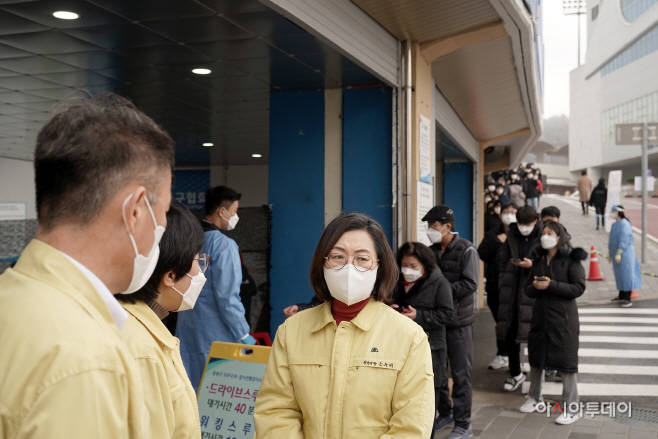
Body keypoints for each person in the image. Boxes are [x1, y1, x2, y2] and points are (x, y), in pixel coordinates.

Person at [0, 94, 174, 438]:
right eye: (165, 210)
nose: (163, 226)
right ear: (136, 210)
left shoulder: (12, 297)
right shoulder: (85, 355)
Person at [254, 213, 435, 438]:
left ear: (379, 266)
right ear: (323, 262)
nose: (349, 268)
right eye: (338, 257)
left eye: (362, 258)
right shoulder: (291, 331)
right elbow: (276, 411)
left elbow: (412, 426)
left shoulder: (409, 337)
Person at [116, 203, 206, 439]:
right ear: (170, 276)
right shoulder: (141, 349)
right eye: (198, 261)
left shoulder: (134, 325)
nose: (201, 273)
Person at [176, 185, 256, 391]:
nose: (235, 216)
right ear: (223, 211)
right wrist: (242, 333)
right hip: (218, 332)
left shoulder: (189, 241)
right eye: (235, 211)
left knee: (191, 393)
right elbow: (227, 297)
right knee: (218, 397)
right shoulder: (223, 245)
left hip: (188, 327)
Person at [520, 221, 587, 425]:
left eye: (550, 233)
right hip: (541, 316)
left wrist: (551, 285)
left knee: (566, 363)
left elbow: (578, 288)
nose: (545, 236)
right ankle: (534, 397)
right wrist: (535, 286)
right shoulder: (538, 259)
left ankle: (572, 407)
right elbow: (527, 289)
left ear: (559, 237)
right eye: (543, 233)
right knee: (537, 358)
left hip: (564, 319)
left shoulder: (571, 259)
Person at [423, 205, 479, 439]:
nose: (430, 230)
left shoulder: (466, 250)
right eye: (428, 226)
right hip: (437, 322)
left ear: (447, 227)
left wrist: (441, 291)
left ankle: (463, 424)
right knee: (437, 372)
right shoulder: (429, 252)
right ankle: (446, 412)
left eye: (433, 226)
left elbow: (470, 284)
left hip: (459, 323)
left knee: (460, 375)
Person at [391, 242, 454, 435]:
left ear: (424, 265)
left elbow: (447, 314)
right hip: (401, 349)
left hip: (431, 350)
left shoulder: (439, 283)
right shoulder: (397, 282)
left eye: (413, 266)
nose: (407, 270)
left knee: (427, 409)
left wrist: (419, 316)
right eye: (404, 265)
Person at [496, 205, 541, 392]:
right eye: (521, 223)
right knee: (510, 334)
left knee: (535, 338)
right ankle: (515, 374)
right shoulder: (511, 236)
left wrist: (533, 265)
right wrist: (503, 281)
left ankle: (539, 378)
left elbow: (550, 265)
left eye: (527, 224)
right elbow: (502, 261)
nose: (523, 227)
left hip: (533, 292)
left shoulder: (543, 236)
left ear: (536, 222)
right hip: (512, 291)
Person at [477, 202, 518, 370]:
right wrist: (496, 241)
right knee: (499, 320)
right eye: (506, 212)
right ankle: (502, 354)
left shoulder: (520, 233)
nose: (509, 214)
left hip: (514, 285)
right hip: (495, 285)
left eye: (513, 212)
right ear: (500, 215)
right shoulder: (492, 234)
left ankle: (513, 356)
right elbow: (482, 254)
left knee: (513, 322)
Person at [608, 206, 641, 307]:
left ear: (618, 212)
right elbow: (611, 240)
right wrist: (610, 253)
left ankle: (628, 298)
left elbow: (624, 239)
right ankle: (621, 295)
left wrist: (619, 252)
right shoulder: (615, 225)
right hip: (616, 253)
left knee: (626, 275)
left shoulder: (624, 224)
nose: (611, 213)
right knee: (619, 275)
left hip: (625, 254)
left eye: (613, 211)